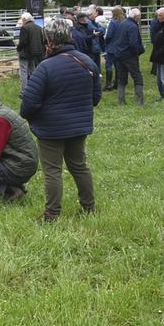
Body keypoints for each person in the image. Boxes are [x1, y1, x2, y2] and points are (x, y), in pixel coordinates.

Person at [20, 18, 101, 223]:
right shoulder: (87, 62)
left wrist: (34, 118)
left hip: (50, 130)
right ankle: (89, 207)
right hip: (78, 126)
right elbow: (96, 98)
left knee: (52, 171)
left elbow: (28, 104)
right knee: (79, 166)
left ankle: (52, 214)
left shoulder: (45, 67)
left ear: (49, 41)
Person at [115, 8, 146, 105]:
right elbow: (133, 43)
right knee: (137, 77)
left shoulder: (122, 23)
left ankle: (121, 101)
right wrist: (137, 52)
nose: (140, 18)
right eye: (140, 16)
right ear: (136, 16)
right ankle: (140, 101)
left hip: (119, 54)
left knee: (121, 78)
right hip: (129, 55)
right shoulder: (133, 26)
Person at [16, 12, 45, 96]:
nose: (22, 22)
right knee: (32, 71)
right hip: (35, 53)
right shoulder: (38, 27)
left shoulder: (24, 28)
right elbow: (42, 40)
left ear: (25, 19)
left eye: (22, 20)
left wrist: (18, 48)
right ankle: (34, 89)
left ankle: (24, 91)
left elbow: (23, 42)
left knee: (23, 72)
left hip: (25, 53)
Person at [104, 6, 126, 91]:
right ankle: (117, 83)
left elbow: (109, 35)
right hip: (120, 47)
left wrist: (106, 42)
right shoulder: (124, 22)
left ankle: (108, 84)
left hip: (111, 47)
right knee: (118, 66)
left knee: (109, 65)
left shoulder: (113, 22)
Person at [149, 8, 164, 101]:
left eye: (160, 15)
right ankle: (162, 95)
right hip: (158, 56)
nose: (158, 17)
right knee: (159, 79)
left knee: (162, 78)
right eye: (158, 15)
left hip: (161, 56)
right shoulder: (159, 26)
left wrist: (159, 52)